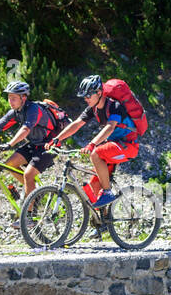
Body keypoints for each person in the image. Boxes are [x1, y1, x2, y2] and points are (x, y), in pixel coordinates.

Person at [47, 74, 140, 209]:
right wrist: (56, 139)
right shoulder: (93, 109)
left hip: (128, 146)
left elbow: (110, 127)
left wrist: (92, 144)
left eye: (88, 95)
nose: (86, 99)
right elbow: (77, 124)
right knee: (94, 186)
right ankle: (103, 221)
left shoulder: (115, 106)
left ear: (99, 92)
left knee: (96, 154)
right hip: (113, 146)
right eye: (84, 96)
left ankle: (108, 192)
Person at [0, 80, 62, 200]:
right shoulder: (15, 112)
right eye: (9, 98)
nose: (10, 101)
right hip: (34, 144)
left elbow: (26, 129)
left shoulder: (34, 109)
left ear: (23, 97)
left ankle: (29, 216)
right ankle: (35, 192)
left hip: (49, 145)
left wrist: (10, 144)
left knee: (28, 175)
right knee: (10, 164)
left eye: (13, 98)